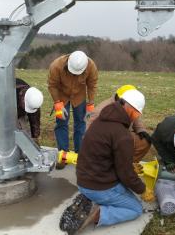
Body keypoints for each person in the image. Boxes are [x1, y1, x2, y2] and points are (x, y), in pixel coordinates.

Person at [60, 89, 155, 234]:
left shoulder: (101, 120)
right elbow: (126, 175)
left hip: (84, 180)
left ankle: (89, 198)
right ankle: (97, 214)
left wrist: (127, 167)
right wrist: (142, 189)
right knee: (135, 208)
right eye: (137, 112)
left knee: (125, 190)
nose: (137, 116)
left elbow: (106, 157)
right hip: (98, 186)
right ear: (130, 109)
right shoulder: (122, 135)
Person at [48, 50, 98, 168]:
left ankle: (80, 156)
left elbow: (92, 85)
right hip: (61, 97)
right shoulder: (56, 66)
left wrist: (90, 104)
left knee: (81, 123)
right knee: (61, 123)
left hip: (79, 96)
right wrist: (57, 103)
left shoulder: (91, 66)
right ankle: (63, 156)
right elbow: (52, 85)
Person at [86, 84, 151, 164]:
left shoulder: (127, 106)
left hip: (122, 136)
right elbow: (89, 131)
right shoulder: (101, 110)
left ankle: (127, 164)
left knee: (144, 142)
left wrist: (141, 130)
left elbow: (136, 118)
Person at [16, 78, 43, 145]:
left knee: (26, 137)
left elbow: (35, 120)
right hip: (3, 113)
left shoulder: (33, 99)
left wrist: (35, 137)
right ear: (23, 100)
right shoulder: (10, 94)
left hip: (20, 112)